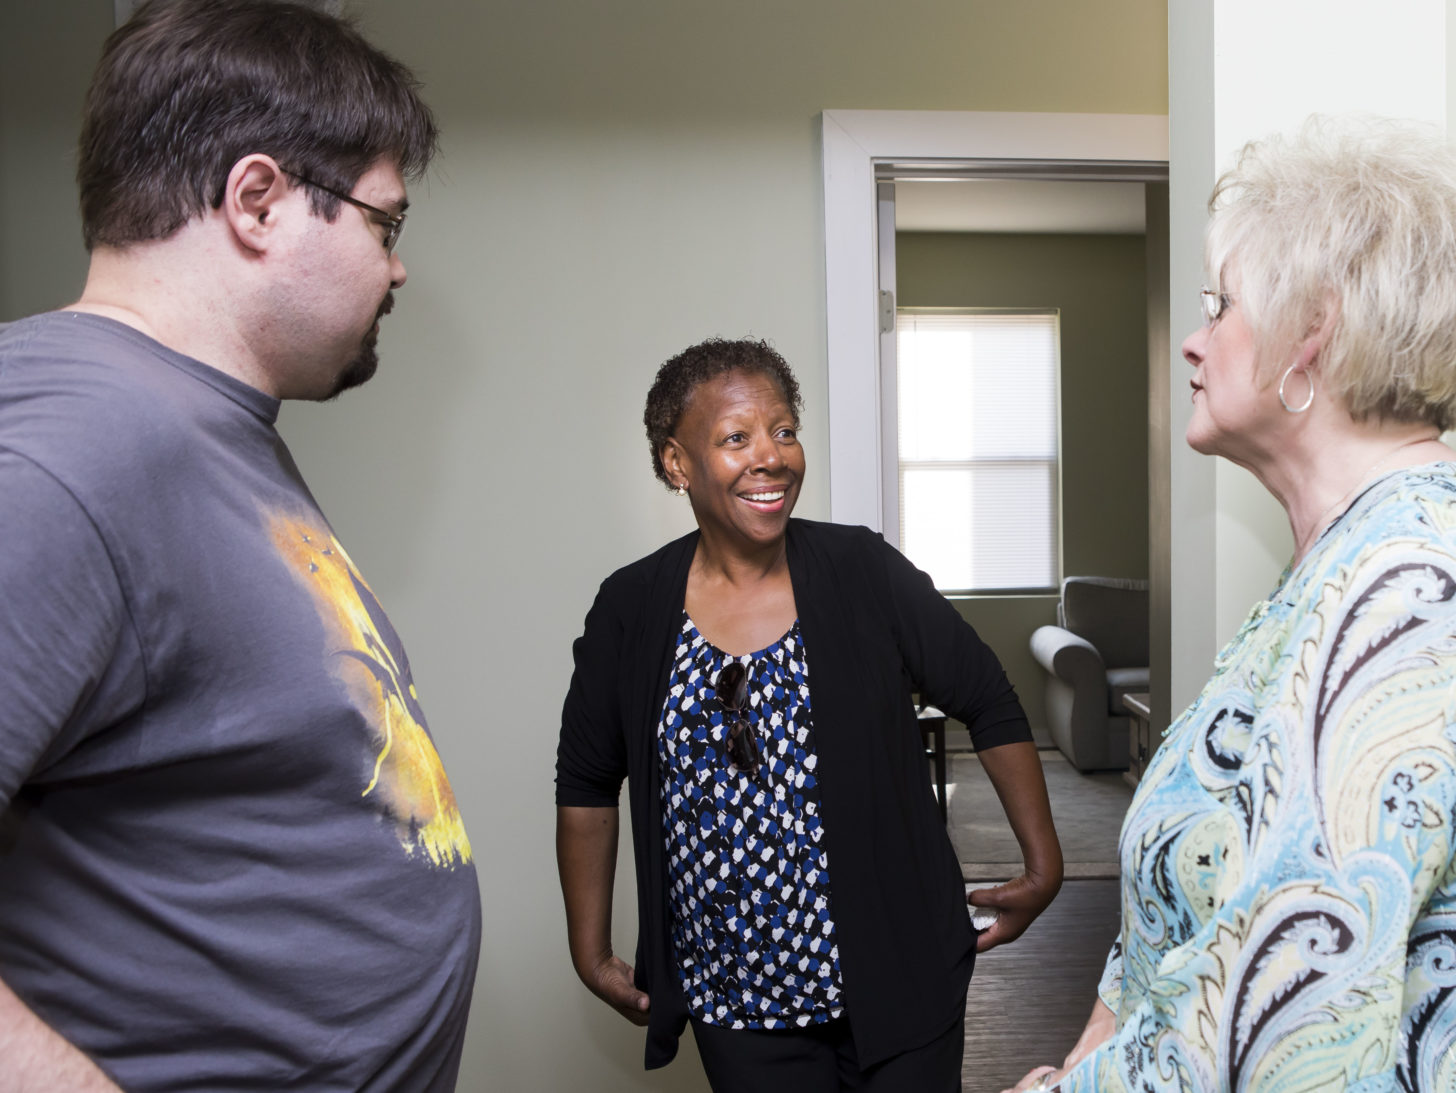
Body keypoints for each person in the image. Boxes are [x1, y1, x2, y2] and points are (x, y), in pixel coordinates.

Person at [1009, 117, 1456, 1093]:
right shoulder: (1340, 566)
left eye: (1220, 304)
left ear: (1312, 326)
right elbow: (1194, 908)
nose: (1192, 343)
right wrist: (1082, 1057)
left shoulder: (1424, 583)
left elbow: (1288, 1027)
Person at [0, 3, 480, 1090]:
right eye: (384, 225)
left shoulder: (197, 418)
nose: (395, 271)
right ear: (258, 199)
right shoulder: (68, 446)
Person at [555, 337, 1064, 1091]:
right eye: (736, 438)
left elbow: (987, 696)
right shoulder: (631, 609)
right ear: (677, 462)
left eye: (784, 430)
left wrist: (1044, 862)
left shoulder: (863, 570)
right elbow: (589, 781)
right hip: (737, 1005)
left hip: (903, 977)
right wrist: (589, 948)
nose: (772, 456)